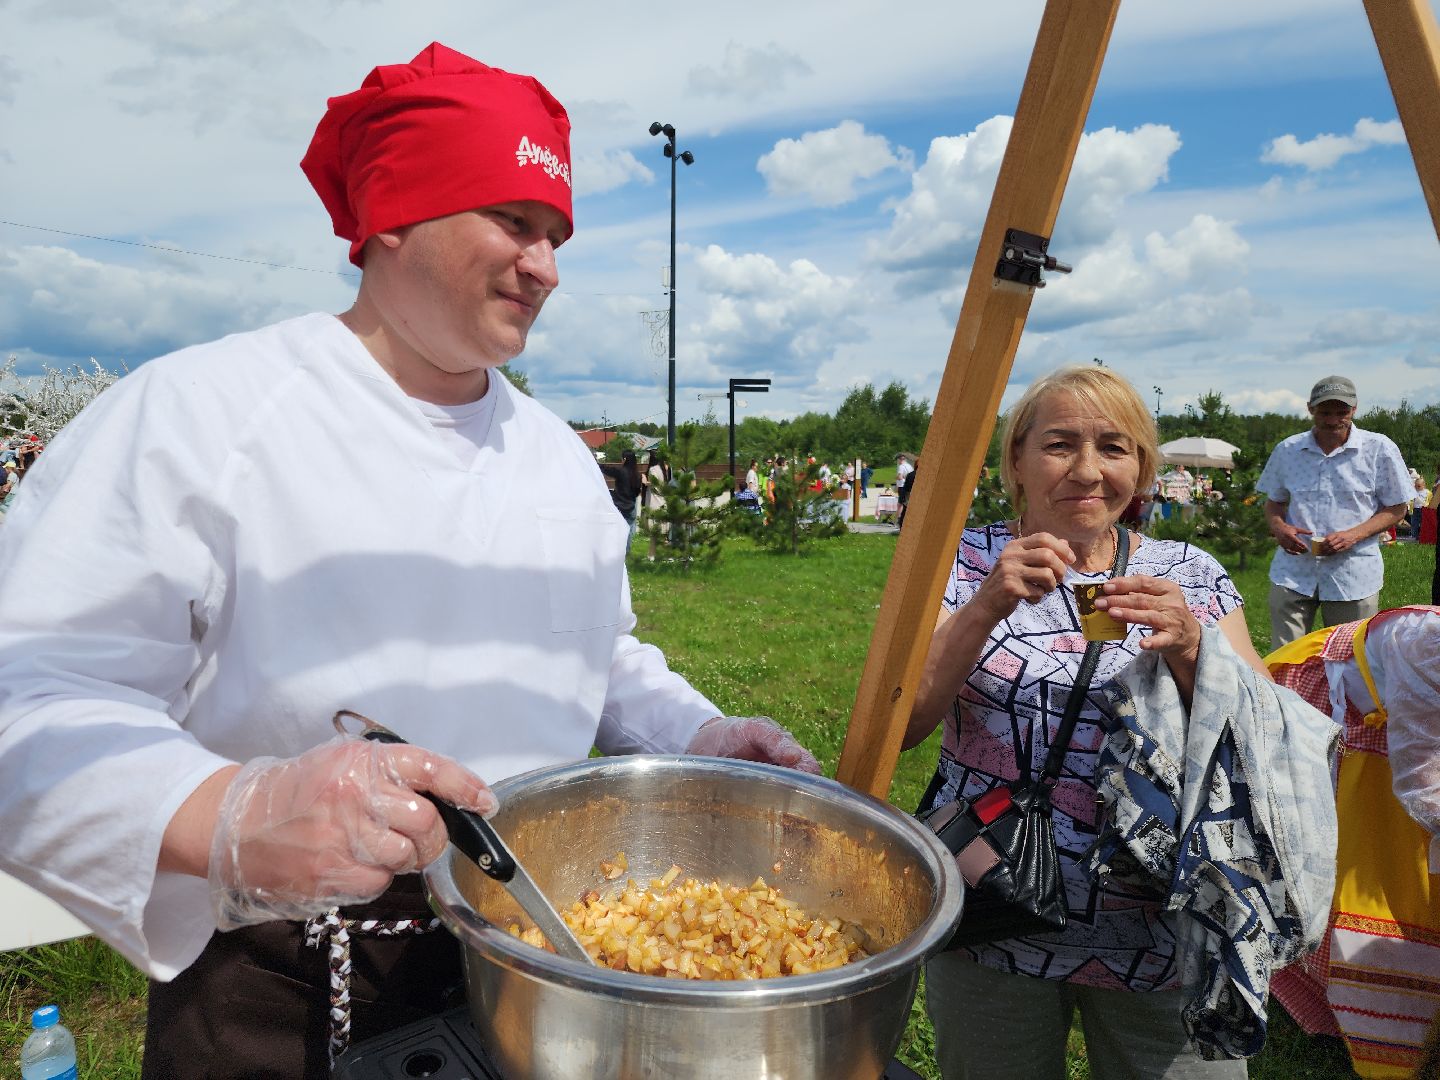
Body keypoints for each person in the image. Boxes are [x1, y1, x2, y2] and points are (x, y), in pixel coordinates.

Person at [0, 44, 819, 1078]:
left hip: (542, 956)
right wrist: (232, 817)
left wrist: (698, 732)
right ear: (393, 214)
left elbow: (596, 658)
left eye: (557, 236)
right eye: (515, 223)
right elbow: (26, 694)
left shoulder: (557, 462)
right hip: (282, 982)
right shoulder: (204, 417)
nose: (547, 267)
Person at [907, 366, 1272, 1080]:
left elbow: (1266, 740)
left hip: (1165, 923)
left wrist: (1196, 649)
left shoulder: (1188, 572)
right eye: (1059, 444)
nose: (1087, 469)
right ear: (1016, 458)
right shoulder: (958, 561)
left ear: (1140, 467)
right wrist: (986, 607)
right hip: (993, 909)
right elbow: (906, 721)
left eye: (1113, 446)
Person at [1265, 607, 1439, 1079]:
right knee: (1360, 869)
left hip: (1403, 737)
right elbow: (1424, 791)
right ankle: (1360, 1018)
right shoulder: (1430, 647)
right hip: (1331, 713)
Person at [1257, 375, 1411, 648]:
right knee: (1285, 655)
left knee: (1350, 657)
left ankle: (1341, 693)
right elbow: (1274, 502)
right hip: (1294, 570)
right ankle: (1284, 693)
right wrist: (1279, 527)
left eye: (1341, 412)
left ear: (1354, 409)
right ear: (1310, 409)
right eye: (1324, 412)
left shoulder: (1378, 449)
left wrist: (1353, 535)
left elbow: (1398, 507)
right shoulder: (1288, 450)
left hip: (1352, 572)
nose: (1332, 420)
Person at [609, 448, 644, 545]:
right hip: (631, 506)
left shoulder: (620, 472)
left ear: (624, 459)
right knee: (629, 532)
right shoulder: (637, 475)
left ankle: (619, 552)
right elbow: (637, 492)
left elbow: (607, 470)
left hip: (619, 506)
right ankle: (626, 552)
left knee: (618, 531)